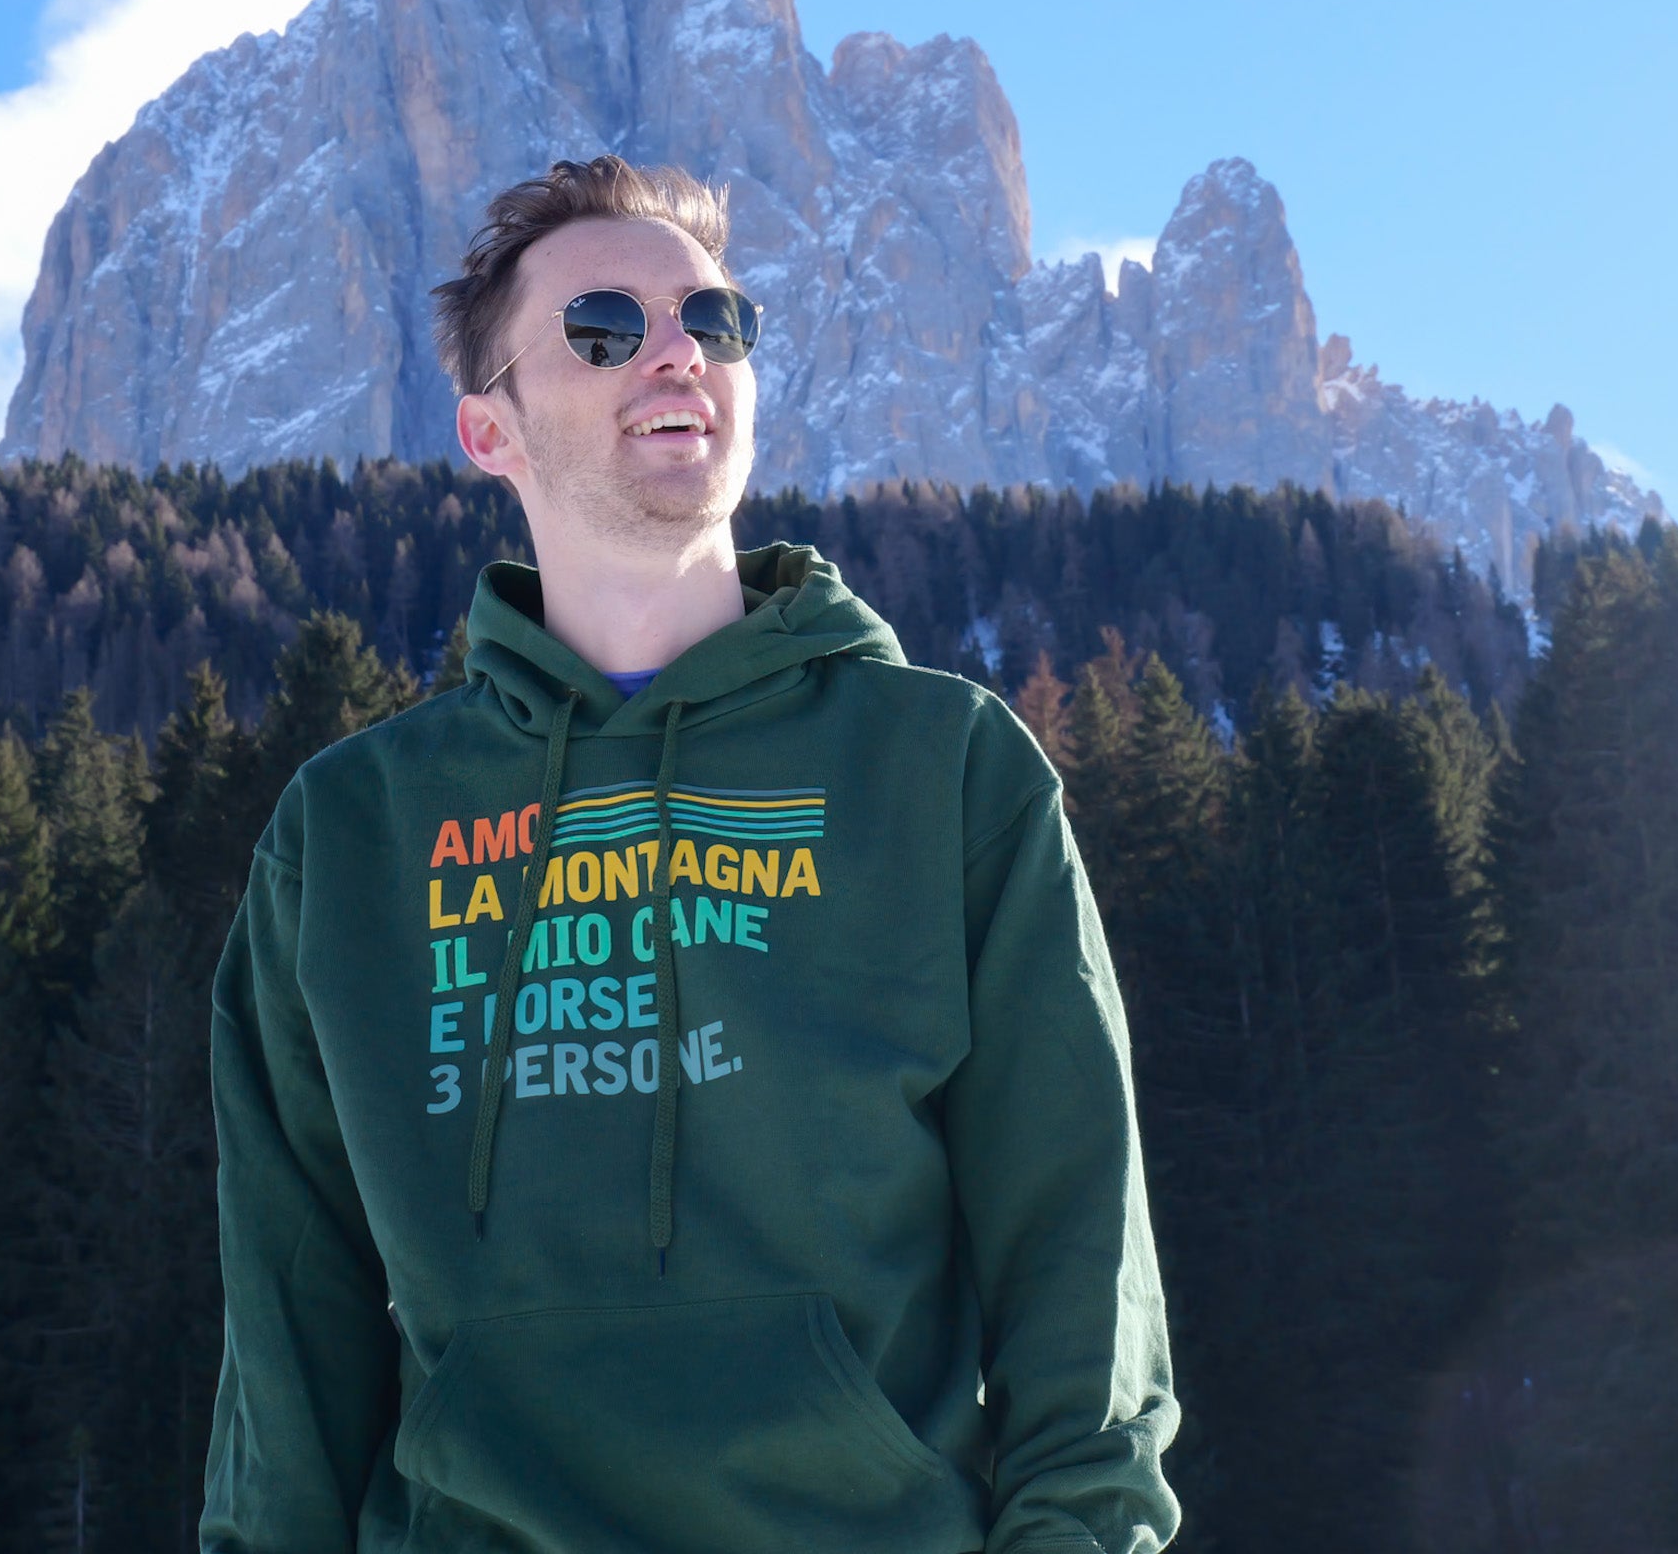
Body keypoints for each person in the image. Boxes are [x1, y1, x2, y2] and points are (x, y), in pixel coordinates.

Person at [199, 156, 1181, 1554]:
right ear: (490, 431)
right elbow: (289, 1324)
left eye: (713, 320)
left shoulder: (943, 768)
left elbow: (1080, 1258)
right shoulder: (350, 833)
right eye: (604, 328)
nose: (678, 353)